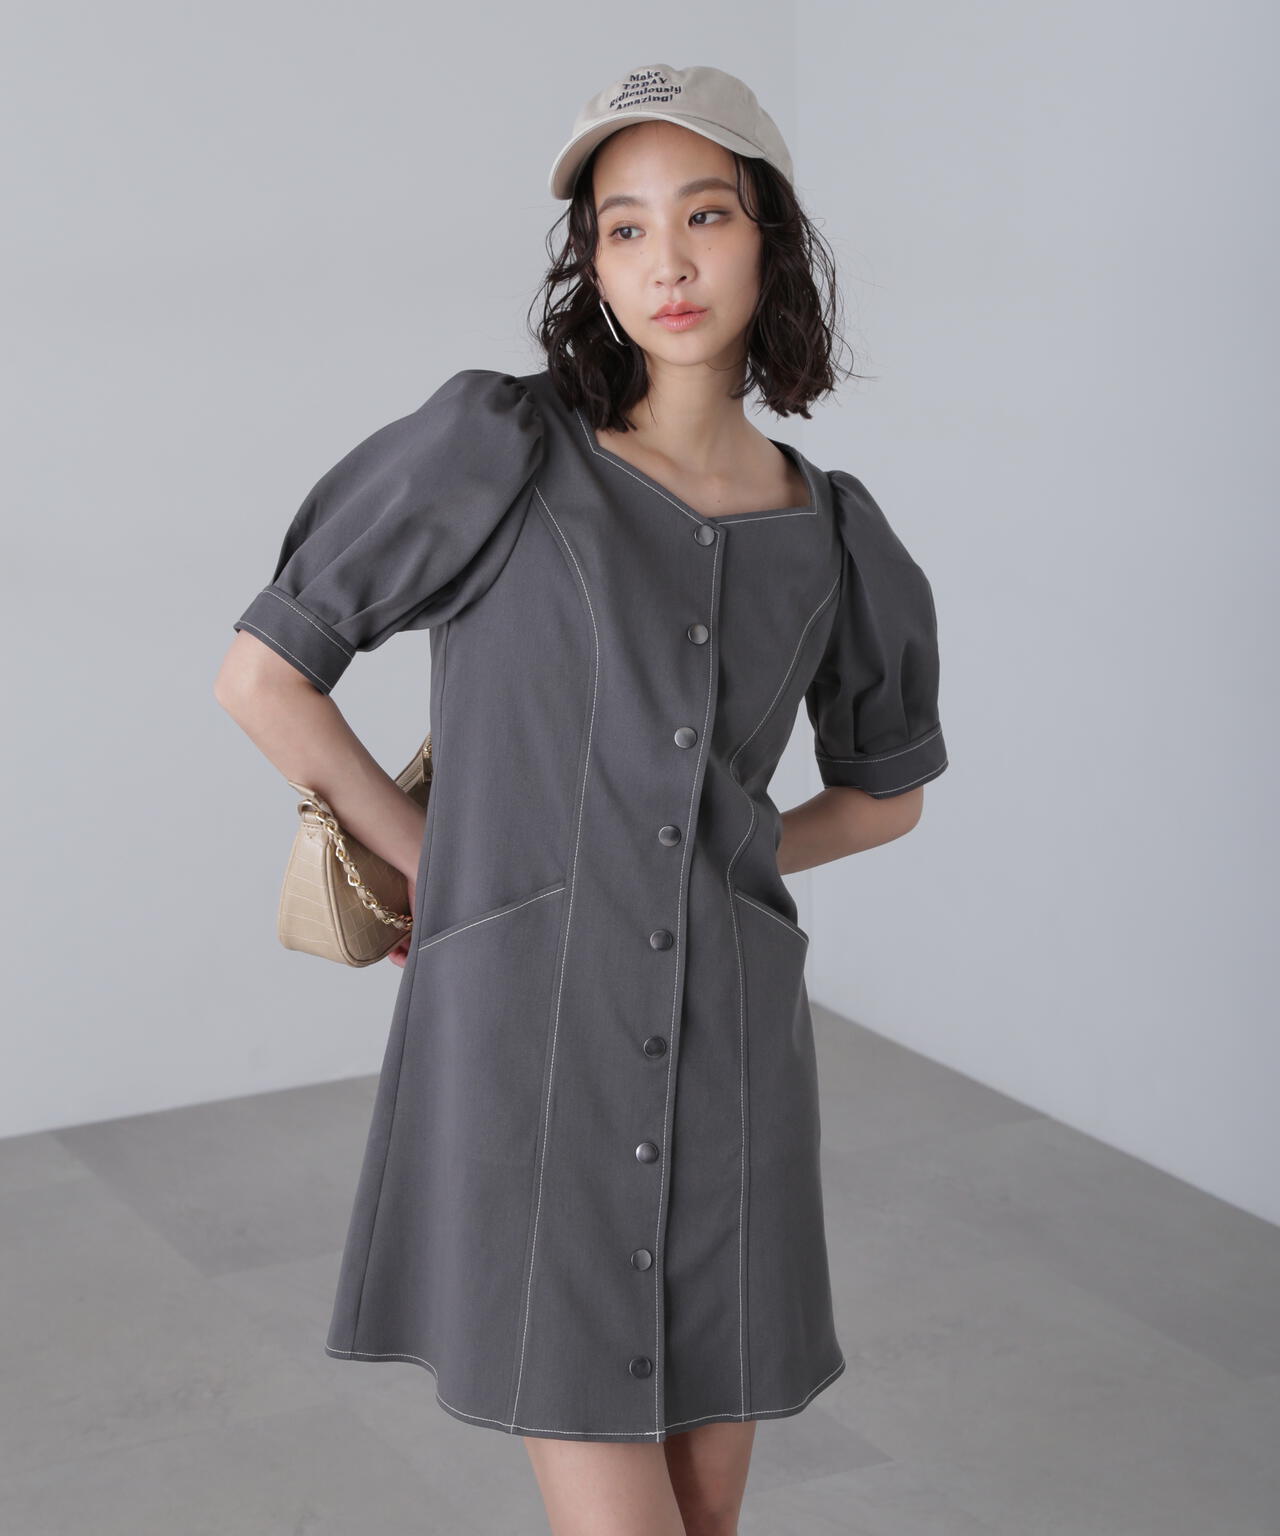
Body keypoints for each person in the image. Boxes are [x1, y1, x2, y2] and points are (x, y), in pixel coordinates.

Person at [214, 61, 949, 1536]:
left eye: (705, 214)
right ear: (592, 265)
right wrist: (441, 863)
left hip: (737, 1053)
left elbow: (884, 798)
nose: (666, 261)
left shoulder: (837, 533)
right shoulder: (498, 453)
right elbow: (263, 677)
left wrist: (725, 852)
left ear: (771, 238)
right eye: (624, 228)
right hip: (531, 1038)